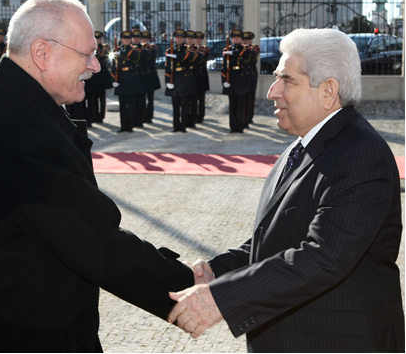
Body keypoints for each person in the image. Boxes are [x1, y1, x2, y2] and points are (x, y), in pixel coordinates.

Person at [0, 0, 196, 353]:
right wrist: (190, 286)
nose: (96, 66)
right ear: (42, 53)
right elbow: (95, 242)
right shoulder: (22, 133)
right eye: (87, 54)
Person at [168, 28, 404, 353]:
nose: (272, 91)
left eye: (286, 80)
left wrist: (223, 299)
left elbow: (325, 255)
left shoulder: (360, 153)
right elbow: (278, 237)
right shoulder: (303, 145)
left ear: (328, 91)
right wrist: (217, 272)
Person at [111, 30, 145, 132]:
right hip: (120, 79)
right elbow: (113, 66)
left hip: (131, 79)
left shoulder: (134, 50)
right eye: (124, 39)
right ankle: (123, 125)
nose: (126, 41)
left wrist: (121, 54)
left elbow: (136, 59)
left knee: (131, 105)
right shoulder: (116, 50)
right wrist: (114, 79)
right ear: (121, 40)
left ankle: (130, 126)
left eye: (128, 39)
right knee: (122, 105)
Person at [165, 29, 197, 132]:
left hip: (184, 79)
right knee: (175, 105)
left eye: (181, 37)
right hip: (174, 78)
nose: (179, 39)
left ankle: (183, 126)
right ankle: (176, 126)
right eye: (177, 37)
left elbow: (190, 56)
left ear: (184, 39)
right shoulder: (170, 50)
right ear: (175, 39)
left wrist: (176, 56)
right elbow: (167, 68)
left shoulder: (188, 49)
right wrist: (168, 81)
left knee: (184, 105)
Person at [221, 29, 252, 133]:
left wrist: (233, 53)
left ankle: (240, 126)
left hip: (242, 79)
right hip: (231, 79)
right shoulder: (227, 49)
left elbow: (246, 55)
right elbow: (224, 67)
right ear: (232, 39)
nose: (236, 39)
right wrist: (224, 80)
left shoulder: (245, 49)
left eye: (238, 37)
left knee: (241, 105)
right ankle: (232, 126)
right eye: (234, 37)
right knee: (232, 105)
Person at [84, 31, 113, 126]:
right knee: (94, 98)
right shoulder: (90, 48)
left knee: (102, 97)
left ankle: (101, 116)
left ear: (101, 39)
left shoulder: (105, 48)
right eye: (95, 38)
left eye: (98, 38)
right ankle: (94, 116)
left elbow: (105, 59)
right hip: (93, 77)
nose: (97, 40)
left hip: (102, 76)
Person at [141, 30, 161, 123]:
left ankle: (149, 116)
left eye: (146, 39)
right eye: (143, 39)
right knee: (142, 98)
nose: (145, 41)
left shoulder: (152, 48)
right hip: (142, 76)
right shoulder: (139, 48)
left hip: (151, 76)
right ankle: (143, 115)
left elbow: (151, 57)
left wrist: (148, 49)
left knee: (150, 98)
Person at [194, 31, 210, 124]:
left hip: (202, 76)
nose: (198, 40)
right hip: (193, 76)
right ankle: (194, 115)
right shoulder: (190, 49)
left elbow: (203, 59)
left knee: (201, 99)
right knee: (193, 98)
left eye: (200, 39)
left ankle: (201, 116)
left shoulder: (205, 49)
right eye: (196, 39)